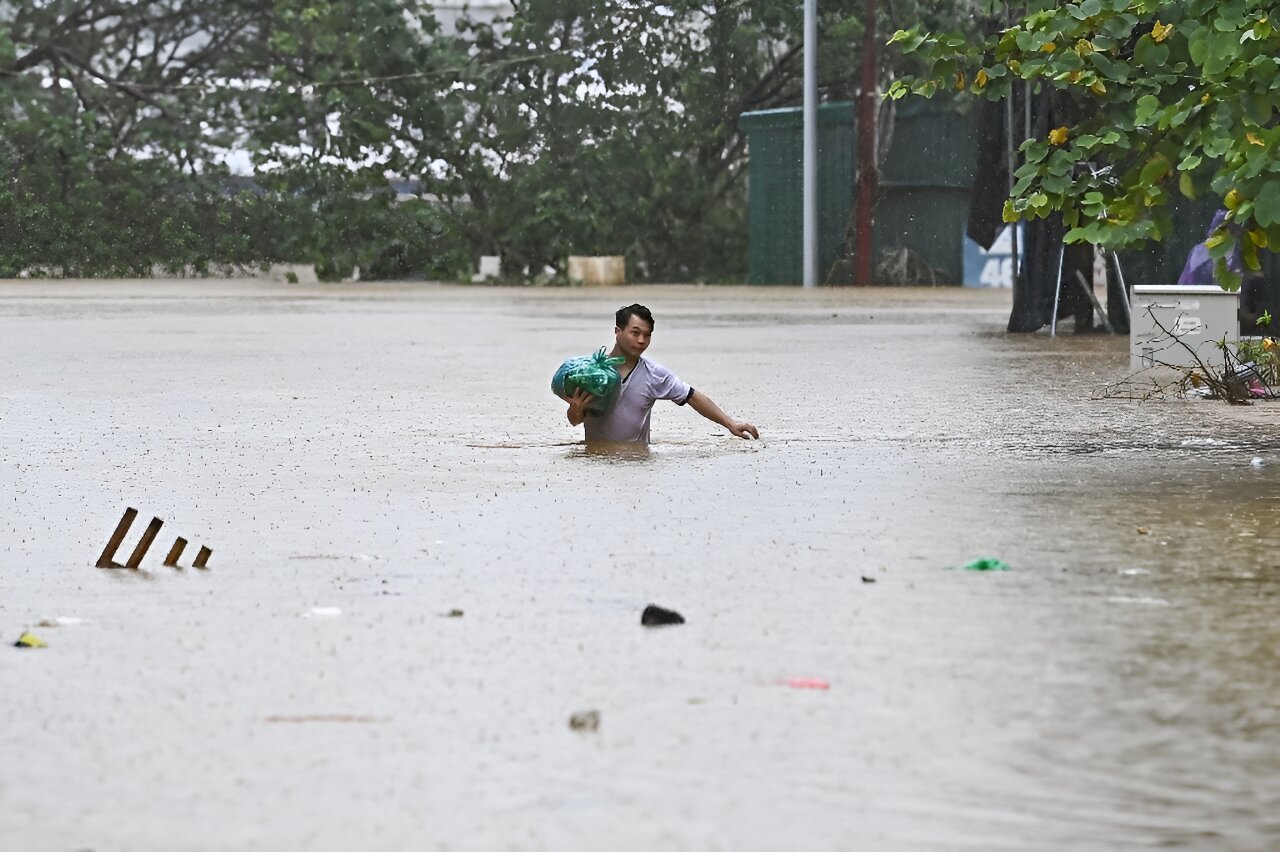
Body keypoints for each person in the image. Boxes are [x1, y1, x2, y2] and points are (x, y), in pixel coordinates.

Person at [561, 304, 759, 443]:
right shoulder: (592, 374)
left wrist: (730, 424)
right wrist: (575, 409)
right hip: (597, 464)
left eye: (647, 335)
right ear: (617, 331)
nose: (642, 341)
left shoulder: (654, 375)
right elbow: (574, 420)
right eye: (635, 333)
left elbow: (692, 396)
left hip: (636, 461)